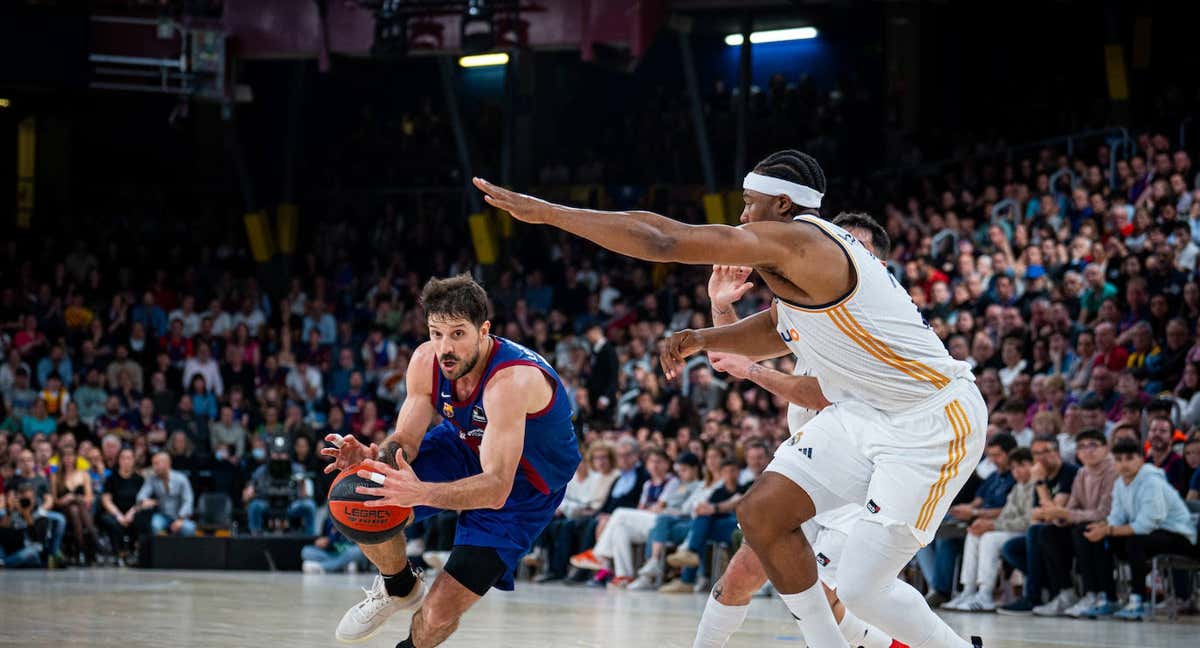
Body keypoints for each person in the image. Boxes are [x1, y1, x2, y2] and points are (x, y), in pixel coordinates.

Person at [476, 151, 985, 648]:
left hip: (931, 421)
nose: (741, 216)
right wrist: (705, 337)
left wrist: (547, 213)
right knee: (762, 515)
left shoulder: (800, 244)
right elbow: (781, 329)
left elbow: (663, 238)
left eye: (749, 203)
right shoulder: (799, 266)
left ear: (783, 206)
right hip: (864, 415)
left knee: (860, 589)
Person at [320, 274, 581, 647]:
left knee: (440, 611)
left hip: (523, 483)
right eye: (436, 333)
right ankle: (398, 585)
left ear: (483, 330)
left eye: (457, 333)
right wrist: (376, 457)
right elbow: (406, 440)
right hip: (462, 444)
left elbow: (495, 488)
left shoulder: (511, 382)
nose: (445, 347)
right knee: (360, 491)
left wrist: (419, 492)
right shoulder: (426, 359)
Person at [1083, 439, 1199, 620]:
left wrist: (1108, 530)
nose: (1124, 464)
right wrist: (1103, 527)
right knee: (1101, 539)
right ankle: (1108, 598)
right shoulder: (1120, 484)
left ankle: (1139, 601)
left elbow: (1145, 526)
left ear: (1141, 460)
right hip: (1153, 535)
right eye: (1119, 459)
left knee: (1135, 540)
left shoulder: (1152, 481)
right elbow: (1117, 517)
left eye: (1129, 458)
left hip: (1181, 536)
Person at [943, 447, 1034, 612]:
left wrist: (992, 525)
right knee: (974, 534)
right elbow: (1006, 516)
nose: (1017, 471)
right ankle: (968, 590)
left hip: (1025, 532)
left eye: (1022, 465)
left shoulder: (1035, 486)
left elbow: (1026, 521)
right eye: (1014, 468)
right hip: (1010, 529)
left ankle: (986, 593)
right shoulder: (1018, 488)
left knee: (989, 539)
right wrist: (985, 523)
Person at [98, 447, 145, 562]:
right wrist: (119, 515)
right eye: (123, 458)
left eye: (129, 458)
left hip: (133, 512)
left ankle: (133, 550)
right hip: (114, 512)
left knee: (141, 519)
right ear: (119, 460)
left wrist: (131, 513)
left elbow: (143, 501)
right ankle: (118, 552)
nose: (126, 461)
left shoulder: (139, 480)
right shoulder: (111, 478)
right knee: (112, 522)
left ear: (134, 460)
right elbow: (106, 500)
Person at [135, 452, 196, 537]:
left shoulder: (181, 479)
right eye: (153, 464)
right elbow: (140, 496)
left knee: (189, 528)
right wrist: (144, 501)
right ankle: (161, 549)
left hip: (180, 515)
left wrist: (180, 519)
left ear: (167, 463)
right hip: (162, 515)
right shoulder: (152, 479)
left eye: (156, 464)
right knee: (155, 525)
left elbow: (188, 500)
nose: (154, 467)